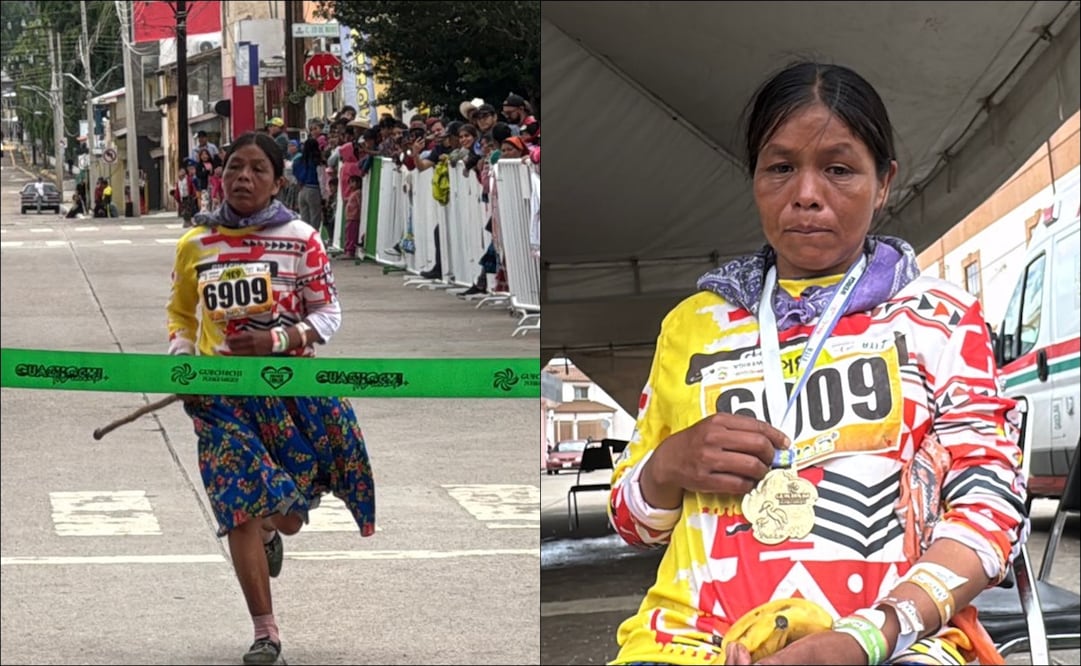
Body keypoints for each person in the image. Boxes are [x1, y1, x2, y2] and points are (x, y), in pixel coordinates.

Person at [607, 61, 1028, 666]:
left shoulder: (940, 318)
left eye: (838, 168)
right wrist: (669, 465)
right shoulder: (693, 324)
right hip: (691, 640)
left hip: (896, 639)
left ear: (883, 183)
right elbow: (633, 522)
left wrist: (869, 637)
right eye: (780, 168)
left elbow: (990, 511)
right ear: (754, 178)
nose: (806, 194)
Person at [166, 131, 376, 665]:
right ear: (221, 175)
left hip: (291, 393)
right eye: (236, 167)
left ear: (277, 181)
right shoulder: (197, 242)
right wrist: (183, 359)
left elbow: (327, 314)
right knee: (239, 506)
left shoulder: (302, 238)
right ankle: (266, 633)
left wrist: (276, 341)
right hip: (220, 398)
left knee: (288, 511)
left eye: (258, 169)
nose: (244, 178)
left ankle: (271, 528)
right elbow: (181, 315)